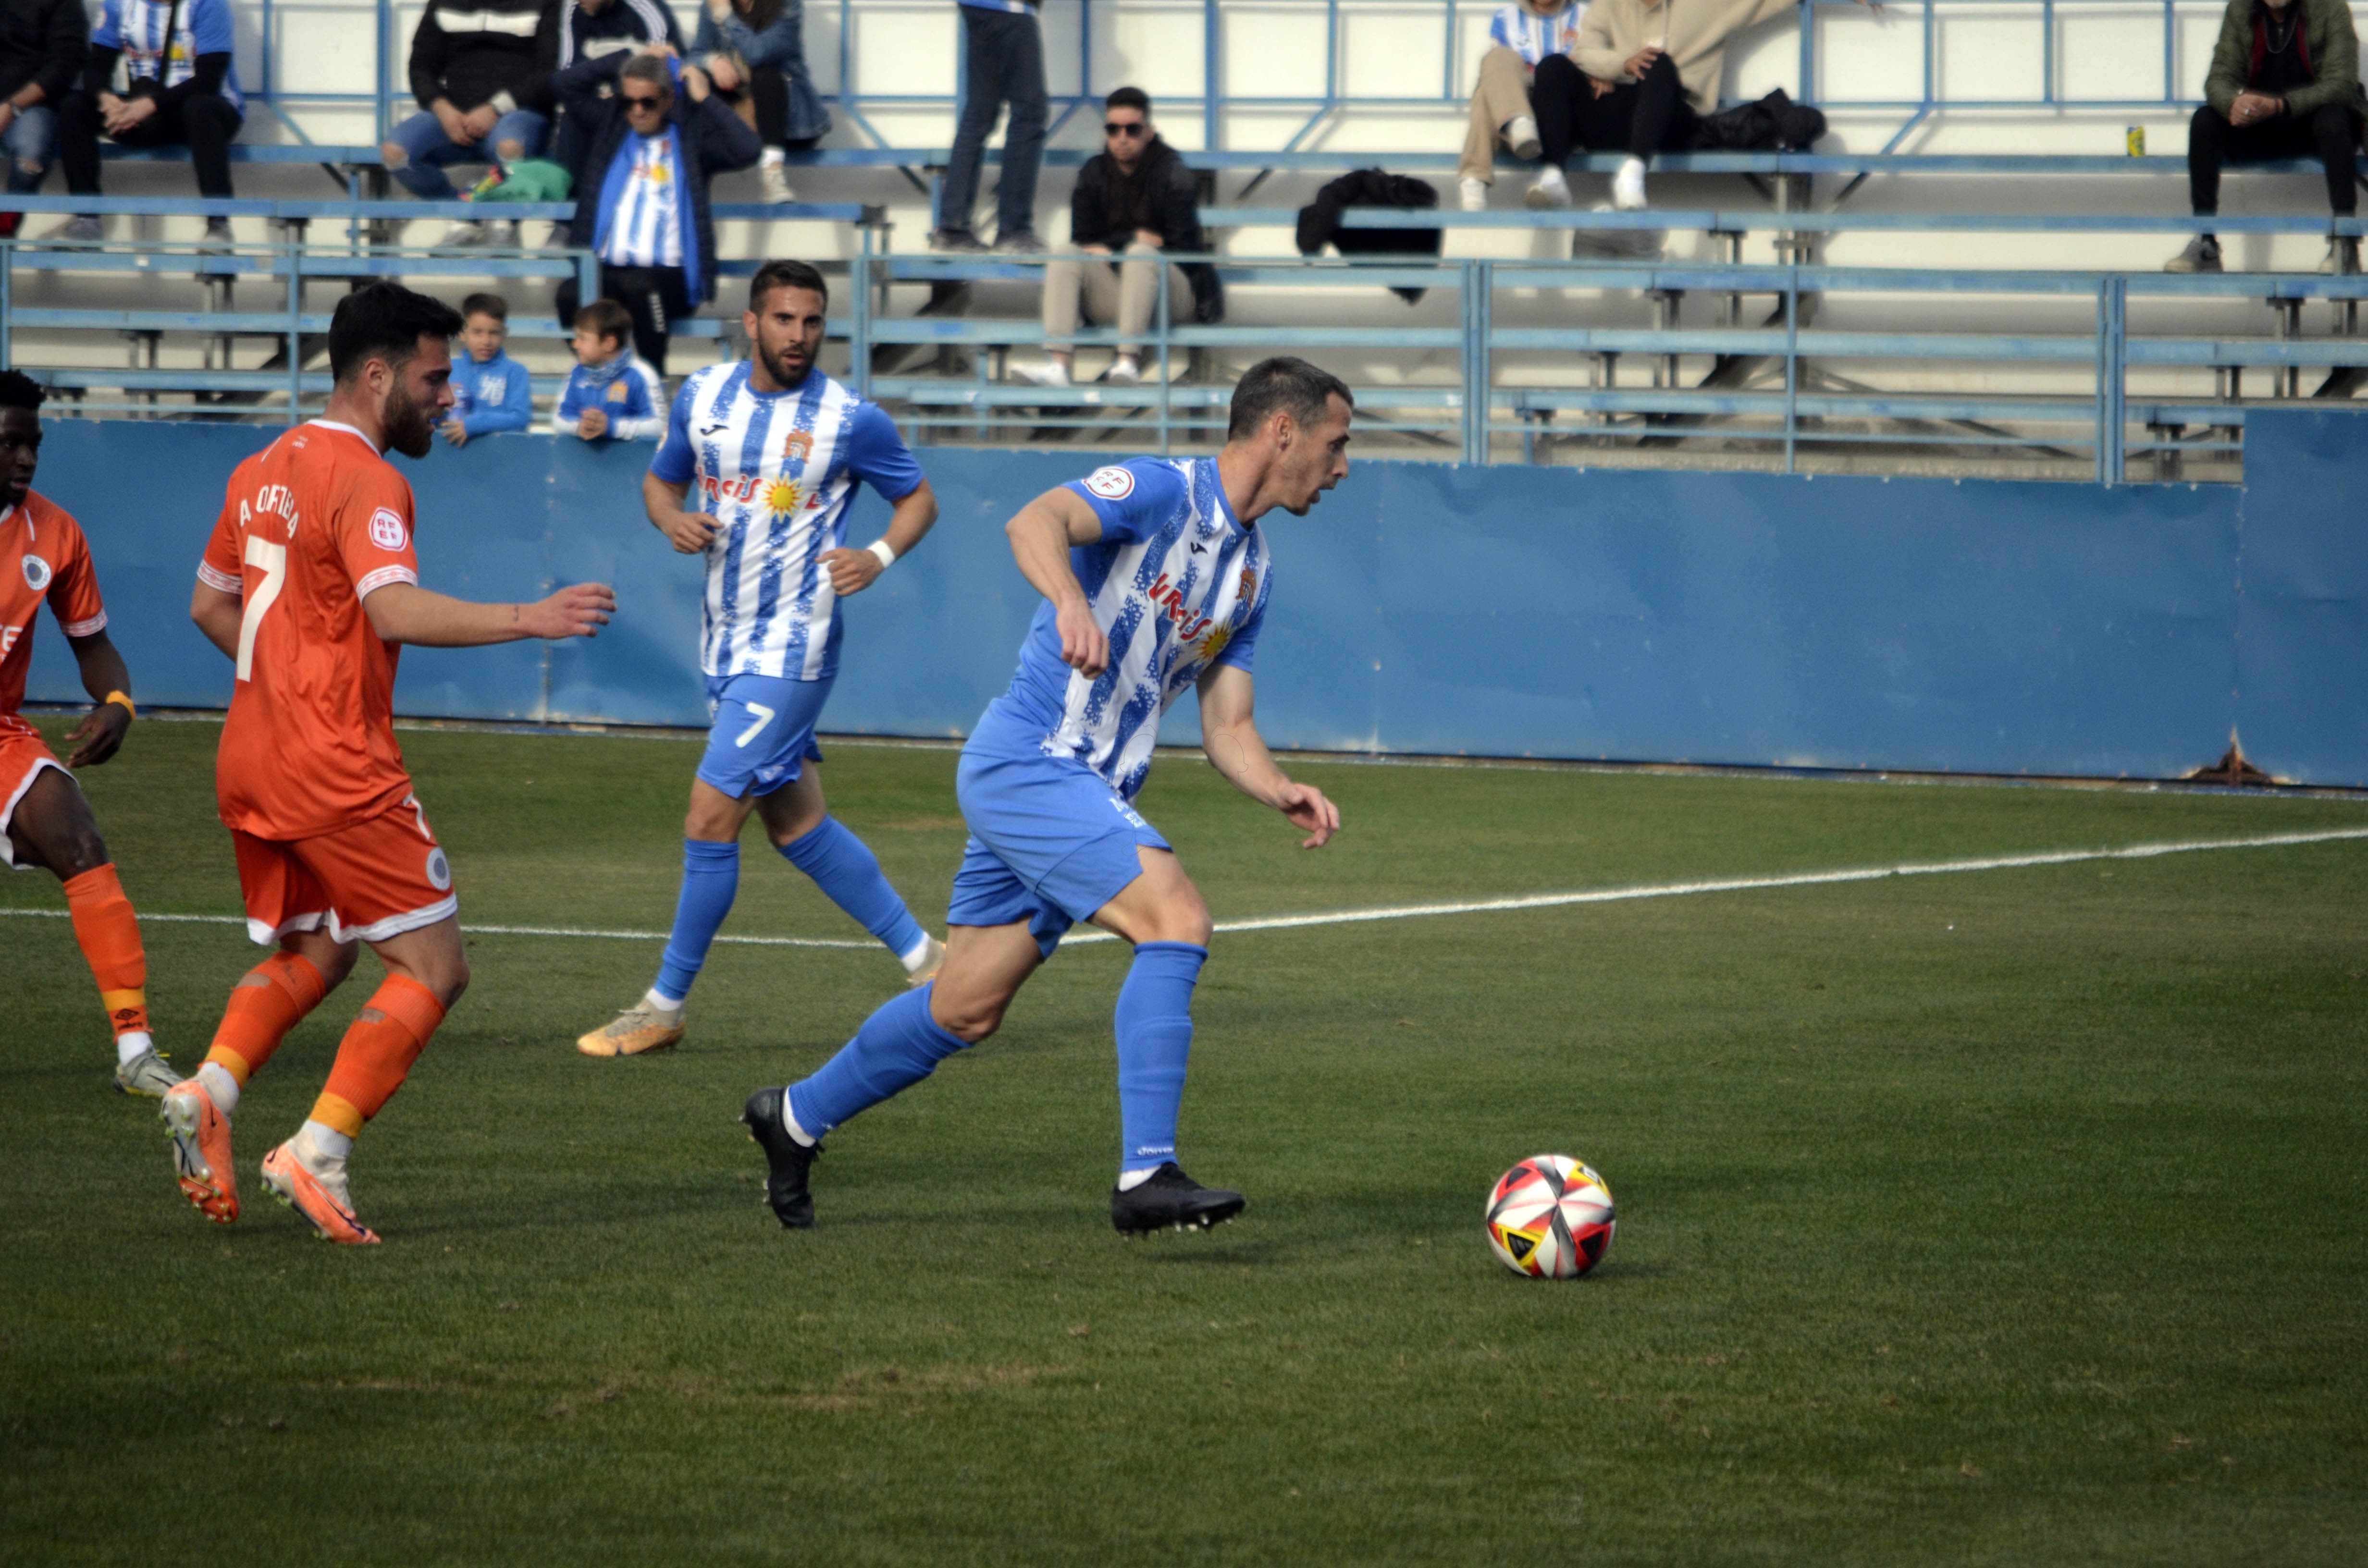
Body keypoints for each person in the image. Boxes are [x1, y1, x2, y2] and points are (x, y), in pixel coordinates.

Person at [741, 356, 1350, 1236]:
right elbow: (1036, 519)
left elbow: (1226, 725)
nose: (1340, 467)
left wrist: (1277, 785)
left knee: (964, 1005)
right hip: (1032, 760)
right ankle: (1146, 1173)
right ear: (1281, 429)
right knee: (1176, 918)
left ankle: (792, 1115)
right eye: (1334, 445)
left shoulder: (1251, 573)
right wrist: (1069, 600)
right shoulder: (1160, 488)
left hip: (1075, 788)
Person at [172, 282, 615, 1245]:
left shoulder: (260, 468)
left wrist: (284, 687)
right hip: (334, 767)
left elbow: (211, 607)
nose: (447, 398)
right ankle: (316, 1153)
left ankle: (208, 1091)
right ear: (377, 377)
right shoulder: (371, 478)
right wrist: (528, 618)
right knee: (435, 966)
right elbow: (391, 608)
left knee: (323, 948)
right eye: (434, 378)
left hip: (250, 757)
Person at [577, 260, 945, 1058]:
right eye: (784, 319)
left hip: (793, 644)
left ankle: (664, 1004)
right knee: (797, 823)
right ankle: (929, 962)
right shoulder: (703, 396)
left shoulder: (851, 418)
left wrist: (876, 554)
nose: (799, 336)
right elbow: (659, 481)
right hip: (725, 641)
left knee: (710, 817)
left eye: (812, 322)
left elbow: (919, 498)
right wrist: (670, 517)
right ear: (751, 322)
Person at [0, 369, 173, 1097]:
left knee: (81, 841)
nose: (27, 458)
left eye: (34, 444)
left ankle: (135, 1051)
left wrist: (117, 701)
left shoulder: (56, 533)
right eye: (11, 442)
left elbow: (93, 645)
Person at [1532, 0, 1869, 210]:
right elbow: (1583, 52)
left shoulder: (1703, 4)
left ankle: (1632, 176)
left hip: (1673, 120)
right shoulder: (1608, 6)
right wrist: (1620, 63)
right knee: (1552, 67)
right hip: (1617, 111)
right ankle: (1553, 176)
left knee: (1659, 63)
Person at [555, 47, 762, 377]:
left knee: (641, 287)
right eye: (628, 102)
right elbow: (563, 85)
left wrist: (705, 98)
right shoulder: (612, 128)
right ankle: (599, 378)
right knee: (569, 293)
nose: (637, 111)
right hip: (611, 269)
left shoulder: (692, 137)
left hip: (670, 277)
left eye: (647, 102)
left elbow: (749, 149)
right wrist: (624, 57)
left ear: (668, 99)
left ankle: (653, 382)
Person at [1016, 87, 1215, 390]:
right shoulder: (1093, 173)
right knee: (1065, 253)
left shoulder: (1174, 173)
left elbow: (1183, 248)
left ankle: (1127, 363)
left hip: (1173, 294)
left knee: (1141, 254)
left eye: (1132, 130)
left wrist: (1123, 245)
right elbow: (1083, 241)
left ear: (1149, 132)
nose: (1122, 138)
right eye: (1113, 129)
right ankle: (1058, 367)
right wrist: (1133, 239)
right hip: (1119, 292)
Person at [2168, 0, 2366, 274]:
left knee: (2333, 118)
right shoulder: (2241, 10)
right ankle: (2206, 242)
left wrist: (2281, 105)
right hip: (2262, 125)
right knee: (2204, 121)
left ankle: (2345, 241)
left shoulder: (2331, 8)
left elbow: (2342, 84)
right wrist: (2232, 104)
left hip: (2312, 126)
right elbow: (2218, 78)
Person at [54, 0, 242, 246]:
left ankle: (219, 225)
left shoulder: (208, 5)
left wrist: (147, 106)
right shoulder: (119, 5)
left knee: (199, 107)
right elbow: (97, 66)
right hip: (146, 113)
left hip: (207, 112)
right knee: (74, 107)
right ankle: (86, 219)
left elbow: (209, 80)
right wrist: (107, 99)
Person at [386, 0, 558, 249]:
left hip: (519, 113)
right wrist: (443, 109)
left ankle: (506, 221)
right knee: (395, 153)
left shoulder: (546, 4)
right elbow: (421, 66)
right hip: (454, 115)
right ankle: (463, 212)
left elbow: (550, 70)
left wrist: (497, 108)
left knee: (510, 147)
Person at [690, 0, 831, 206]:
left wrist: (725, 15)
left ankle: (772, 172)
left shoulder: (787, 6)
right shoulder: (711, 5)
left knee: (766, 73)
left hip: (788, 125)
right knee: (695, 78)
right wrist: (713, 62)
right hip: (741, 120)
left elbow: (758, 54)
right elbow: (694, 55)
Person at [931, 0, 1046, 253]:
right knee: (1028, 116)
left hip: (982, 7)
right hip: (1010, 9)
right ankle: (1013, 230)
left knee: (980, 113)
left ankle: (952, 229)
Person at [1458, 0, 1583, 212]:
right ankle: (1518, 122)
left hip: (1564, 120)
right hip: (1518, 131)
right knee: (1495, 64)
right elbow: (1501, 74)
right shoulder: (1505, 18)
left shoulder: (1585, 15)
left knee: (1487, 93)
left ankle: (1473, 176)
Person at [550, 0, 681, 185]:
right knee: (572, 119)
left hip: (636, 109)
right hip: (599, 106)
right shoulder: (573, 7)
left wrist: (618, 91)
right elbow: (565, 76)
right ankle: (571, 205)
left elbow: (662, 73)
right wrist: (625, 58)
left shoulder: (646, 9)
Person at [0, 0, 87, 237]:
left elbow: (65, 64)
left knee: (32, 154)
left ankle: (5, 227)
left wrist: (12, 106)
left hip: (29, 105)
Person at [551, 297, 663, 441]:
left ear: (609, 344)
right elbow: (558, 419)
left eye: (583, 338)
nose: (575, 344)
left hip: (629, 462)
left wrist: (610, 427)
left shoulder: (642, 374)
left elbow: (658, 426)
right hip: (582, 463)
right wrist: (580, 426)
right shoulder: (577, 372)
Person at [440, 293, 534, 446]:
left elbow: (521, 418)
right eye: (477, 332)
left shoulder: (516, 372)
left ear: (504, 333)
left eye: (494, 333)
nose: (486, 341)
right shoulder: (447, 368)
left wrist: (473, 425)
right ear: (462, 333)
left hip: (500, 459)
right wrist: (441, 402)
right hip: (450, 456)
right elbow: (428, 418)